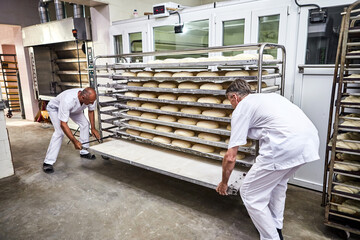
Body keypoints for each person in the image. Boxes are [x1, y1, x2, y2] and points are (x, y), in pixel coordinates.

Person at [216, 79, 320, 240]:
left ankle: (272, 237)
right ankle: (276, 227)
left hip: (284, 146)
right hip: (309, 142)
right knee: (278, 185)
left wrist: (224, 182)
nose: (231, 105)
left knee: (250, 194)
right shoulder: (269, 97)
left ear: (234, 97)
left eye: (230, 101)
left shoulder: (242, 108)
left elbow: (230, 157)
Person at [42, 87, 101, 174]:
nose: (92, 103)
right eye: (91, 102)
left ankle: (84, 151)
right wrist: (74, 141)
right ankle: (48, 162)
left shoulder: (91, 97)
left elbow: (91, 111)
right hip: (55, 108)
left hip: (73, 109)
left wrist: (93, 128)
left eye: (93, 101)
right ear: (83, 98)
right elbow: (63, 124)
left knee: (85, 124)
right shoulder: (68, 100)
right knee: (59, 133)